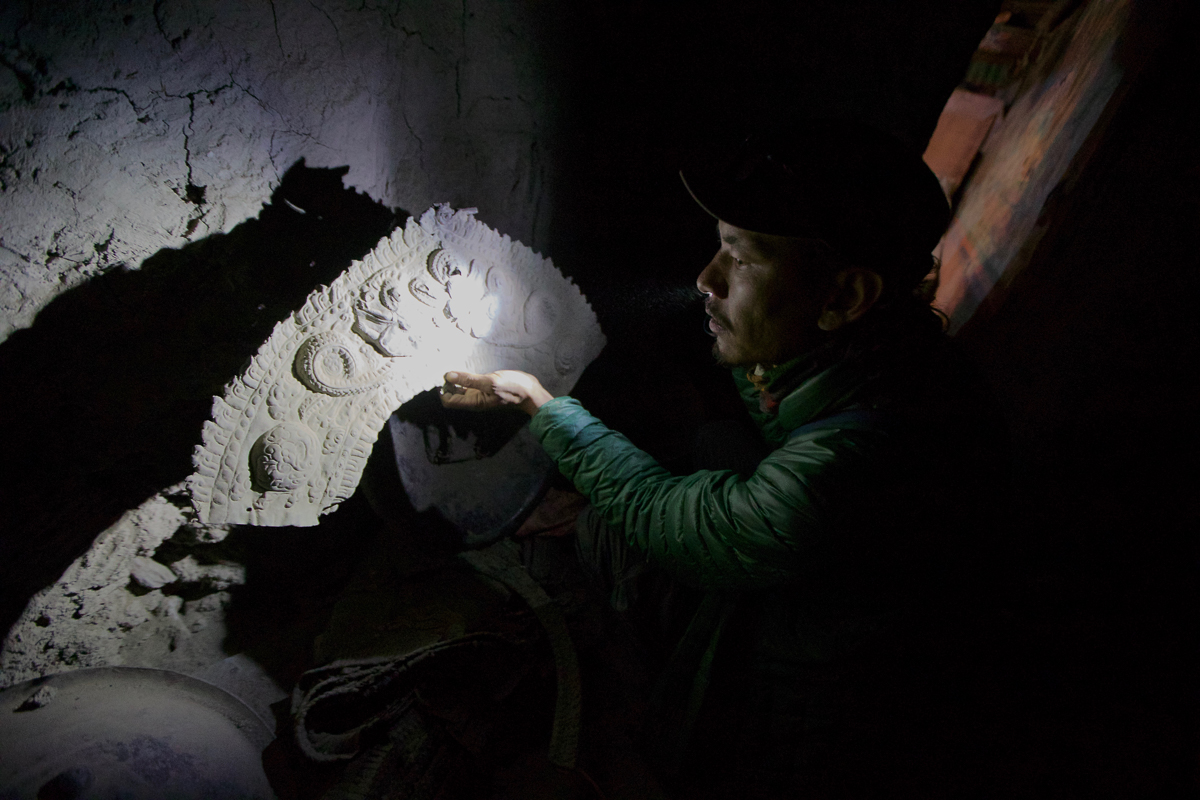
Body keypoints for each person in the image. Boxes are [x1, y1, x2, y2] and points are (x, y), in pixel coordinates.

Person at [441, 121, 1008, 796]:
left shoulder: (851, 464)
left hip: (811, 715)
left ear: (845, 296)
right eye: (719, 249)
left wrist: (540, 404)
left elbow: (671, 521)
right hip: (824, 598)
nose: (707, 279)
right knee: (710, 445)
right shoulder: (886, 355)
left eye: (744, 259)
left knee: (618, 533)